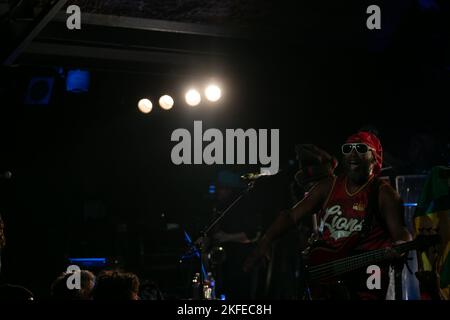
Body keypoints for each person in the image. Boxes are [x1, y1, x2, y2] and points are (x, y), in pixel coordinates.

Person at [244, 131, 412, 300]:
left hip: (367, 275)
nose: (353, 153)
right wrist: (266, 240)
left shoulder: (384, 194)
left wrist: (401, 245)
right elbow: (291, 216)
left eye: (361, 148)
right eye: (348, 148)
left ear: (374, 158)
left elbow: (400, 232)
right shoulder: (329, 186)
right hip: (330, 277)